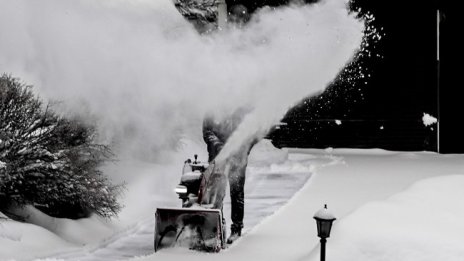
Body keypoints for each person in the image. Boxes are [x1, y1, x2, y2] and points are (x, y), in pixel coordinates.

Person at [202, 108, 259, 244]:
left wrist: (244, 147)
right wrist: (217, 145)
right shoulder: (213, 107)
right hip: (217, 158)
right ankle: (214, 227)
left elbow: (255, 133)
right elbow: (207, 131)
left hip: (238, 158)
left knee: (237, 191)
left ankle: (236, 228)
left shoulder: (244, 109)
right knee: (215, 192)